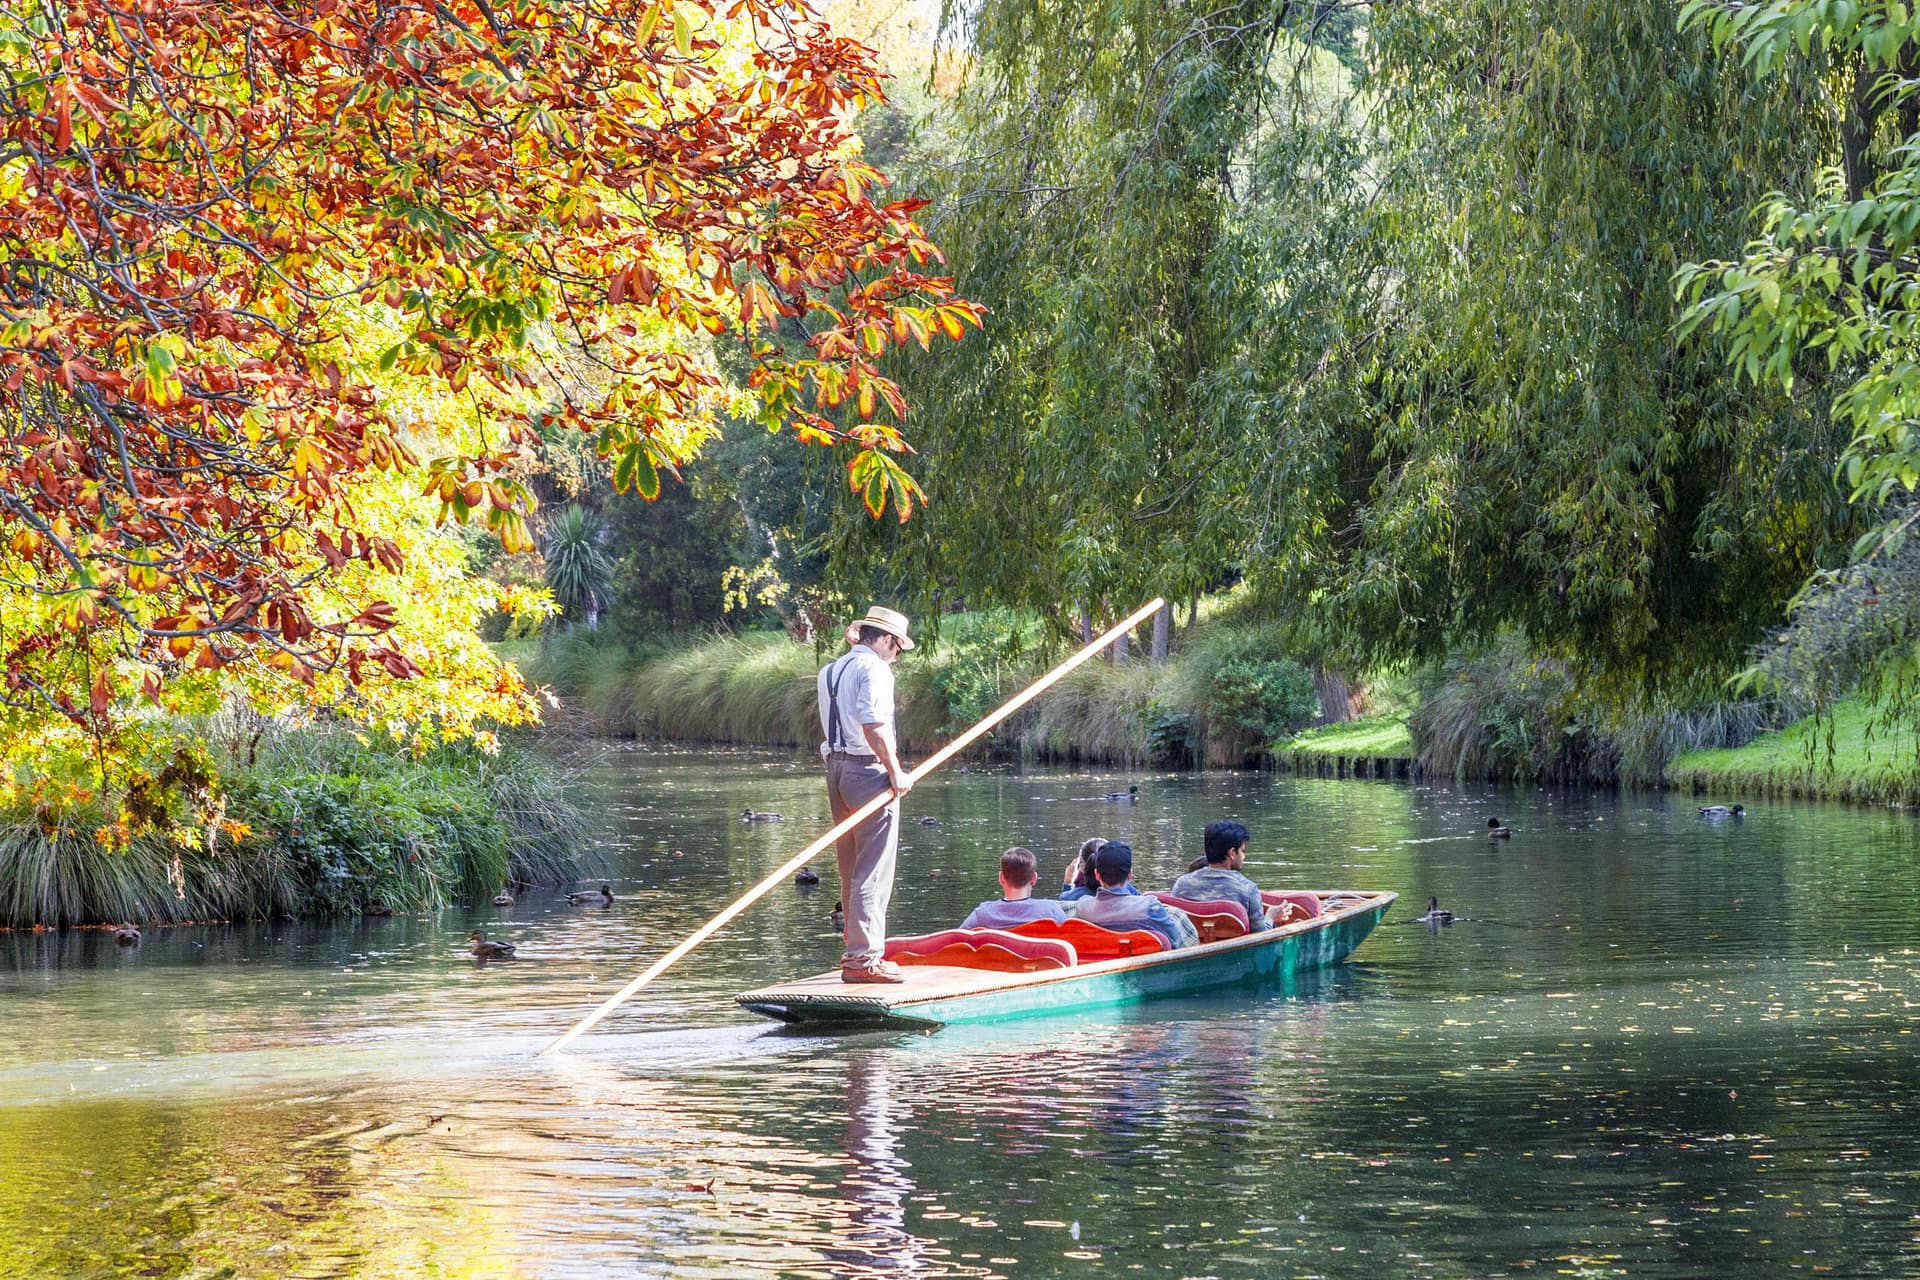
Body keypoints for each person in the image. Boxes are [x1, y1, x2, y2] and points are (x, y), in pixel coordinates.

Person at [819, 605, 916, 983]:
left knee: (850, 865)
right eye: (898, 648)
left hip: (836, 770)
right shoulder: (874, 668)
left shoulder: (831, 669)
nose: (898, 656)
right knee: (872, 869)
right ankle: (863, 960)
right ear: (888, 640)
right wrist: (895, 772)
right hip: (866, 771)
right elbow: (872, 723)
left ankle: (856, 951)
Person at [1073, 841, 1197, 951]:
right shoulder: (1150, 906)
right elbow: (1176, 941)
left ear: (1097, 875)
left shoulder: (1083, 907)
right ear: (1130, 874)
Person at [1170, 820, 1274, 932]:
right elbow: (1260, 933)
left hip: (1193, 946)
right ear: (1232, 853)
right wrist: (1271, 917)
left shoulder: (1181, 884)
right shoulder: (1247, 888)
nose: (1244, 856)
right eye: (1242, 851)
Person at [961, 847, 1069, 930]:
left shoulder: (983, 914)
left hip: (998, 959)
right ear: (1034, 879)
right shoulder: (1050, 910)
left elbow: (952, 941)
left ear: (1001, 878)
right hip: (1040, 959)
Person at [1060, 837, 1104, 902]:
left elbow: (1066, 906)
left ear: (1081, 867)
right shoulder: (1121, 894)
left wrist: (1068, 883)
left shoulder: (1070, 897)